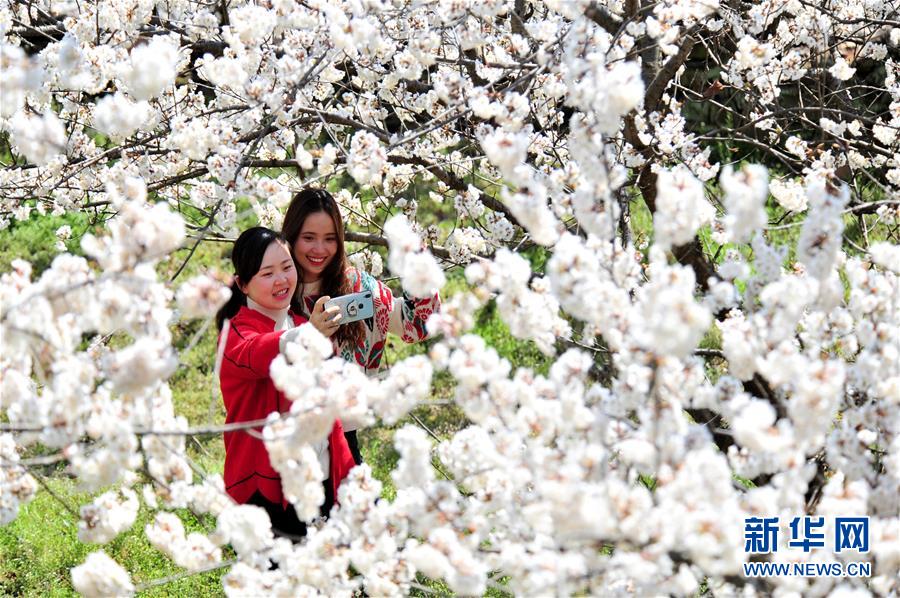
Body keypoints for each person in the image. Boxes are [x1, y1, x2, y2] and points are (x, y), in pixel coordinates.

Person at [281, 188, 442, 464]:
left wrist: (417, 265)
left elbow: (415, 324)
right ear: (292, 236)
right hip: (284, 438)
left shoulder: (357, 286)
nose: (319, 249)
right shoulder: (274, 286)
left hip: (342, 440)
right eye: (309, 238)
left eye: (330, 239)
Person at [215, 226, 356, 540]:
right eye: (267, 273)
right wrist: (309, 335)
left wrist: (347, 472)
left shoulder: (304, 324)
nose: (281, 280)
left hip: (318, 475)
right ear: (243, 284)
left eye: (286, 267)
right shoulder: (235, 334)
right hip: (265, 488)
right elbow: (257, 353)